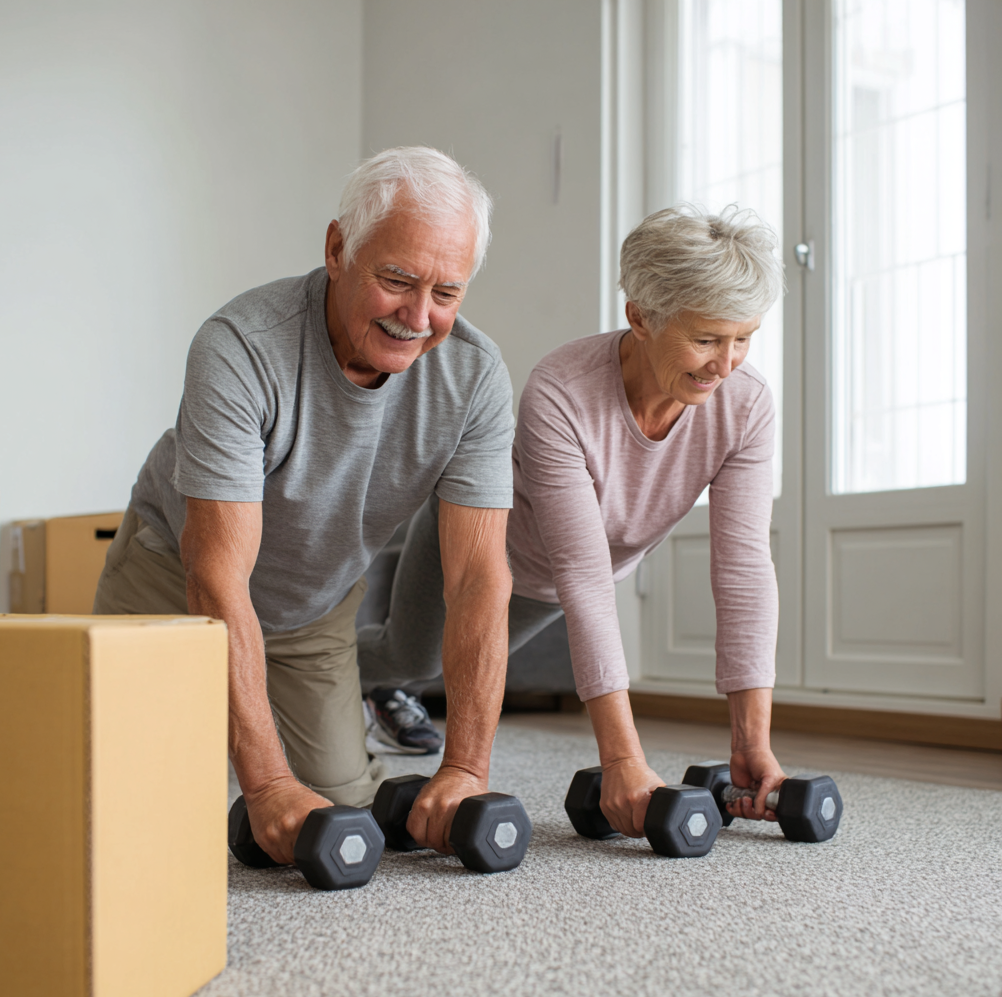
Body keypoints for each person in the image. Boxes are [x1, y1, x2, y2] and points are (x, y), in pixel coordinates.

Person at [94, 147, 515, 862]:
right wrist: (264, 786)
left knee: (341, 807)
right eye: (397, 280)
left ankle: (325, 736)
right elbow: (216, 578)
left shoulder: (474, 379)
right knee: (110, 796)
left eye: (447, 293)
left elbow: (477, 580)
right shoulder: (240, 347)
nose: (419, 316)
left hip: (314, 605)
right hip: (175, 582)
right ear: (337, 248)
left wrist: (467, 769)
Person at [359, 204, 787, 835]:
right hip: (488, 543)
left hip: (552, 581)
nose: (726, 366)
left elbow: (744, 568)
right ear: (639, 316)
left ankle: (368, 686)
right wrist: (621, 759)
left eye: (742, 339)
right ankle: (303, 662)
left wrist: (753, 739)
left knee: (452, 667)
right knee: (411, 656)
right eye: (705, 340)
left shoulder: (745, 405)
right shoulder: (562, 389)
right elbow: (583, 576)